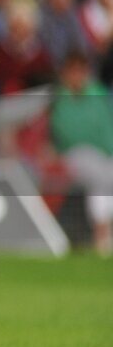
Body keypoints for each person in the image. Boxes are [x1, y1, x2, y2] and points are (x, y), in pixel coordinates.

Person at [49, 52, 113, 257]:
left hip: (105, 154)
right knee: (100, 175)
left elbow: (107, 127)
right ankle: (102, 234)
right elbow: (69, 134)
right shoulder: (60, 99)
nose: (77, 75)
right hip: (75, 155)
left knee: (104, 175)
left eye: (81, 70)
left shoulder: (99, 94)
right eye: (73, 70)